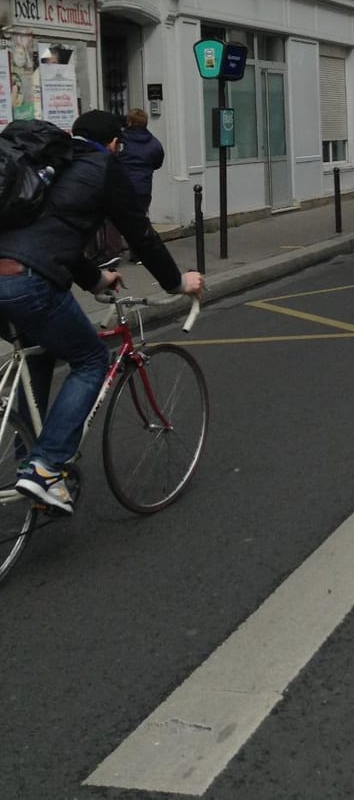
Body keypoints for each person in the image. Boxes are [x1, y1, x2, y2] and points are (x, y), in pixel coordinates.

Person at [0, 109, 203, 516]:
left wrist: (94, 280)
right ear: (113, 143)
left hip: (11, 277)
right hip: (26, 283)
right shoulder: (104, 167)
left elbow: (52, 238)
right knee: (92, 359)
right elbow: (140, 235)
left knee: (40, 354)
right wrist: (177, 283)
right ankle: (44, 468)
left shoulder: (47, 166)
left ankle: (31, 455)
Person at [118, 108, 165, 262]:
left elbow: (113, 158)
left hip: (123, 185)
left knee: (119, 219)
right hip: (143, 187)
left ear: (129, 122)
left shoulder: (122, 140)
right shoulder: (154, 143)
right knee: (140, 219)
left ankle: (112, 252)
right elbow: (157, 162)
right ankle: (140, 253)